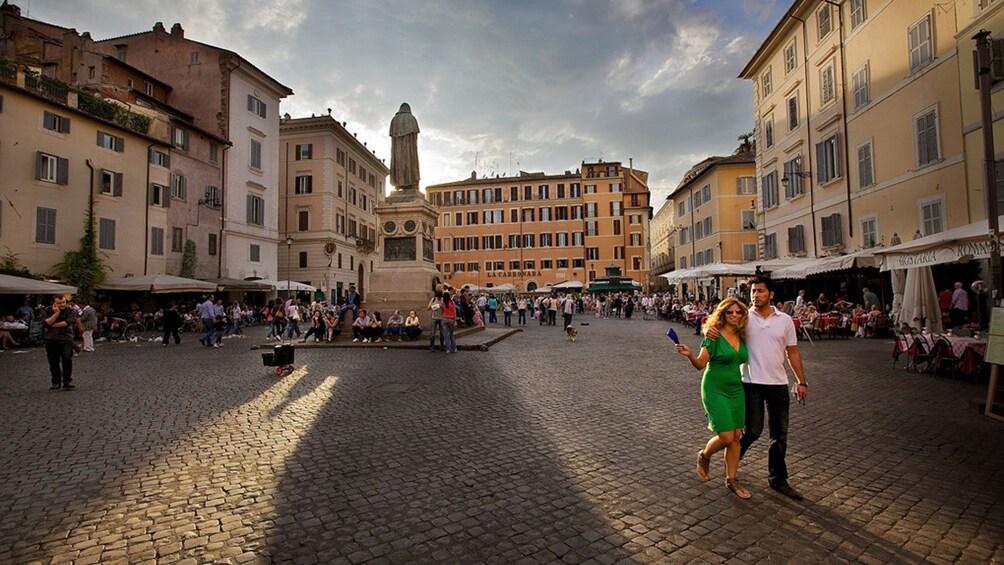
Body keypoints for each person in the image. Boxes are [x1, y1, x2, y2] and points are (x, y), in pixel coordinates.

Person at [711, 277, 808, 501]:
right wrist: (710, 333)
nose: (756, 295)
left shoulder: (784, 320)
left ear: (771, 294)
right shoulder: (743, 318)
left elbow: (792, 352)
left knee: (780, 435)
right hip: (751, 382)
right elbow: (718, 325)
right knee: (752, 431)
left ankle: (778, 479)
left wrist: (801, 381)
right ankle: (732, 463)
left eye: (761, 291)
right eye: (754, 291)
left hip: (778, 383)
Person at [675, 297, 751, 499]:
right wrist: (690, 354)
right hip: (714, 388)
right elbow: (701, 364)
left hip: (736, 388)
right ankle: (704, 455)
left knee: (736, 437)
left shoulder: (743, 333)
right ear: (722, 314)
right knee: (726, 436)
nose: (734, 315)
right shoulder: (714, 335)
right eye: (729, 312)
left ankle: (731, 479)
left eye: (738, 312)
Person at [43, 296, 77, 390]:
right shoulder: (47, 311)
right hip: (51, 338)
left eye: (63, 302)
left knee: (67, 359)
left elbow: (68, 322)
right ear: (54, 304)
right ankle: (56, 382)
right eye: (59, 303)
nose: (62, 305)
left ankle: (67, 381)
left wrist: (52, 324)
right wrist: (56, 314)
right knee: (53, 361)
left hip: (66, 338)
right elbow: (45, 323)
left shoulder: (71, 310)